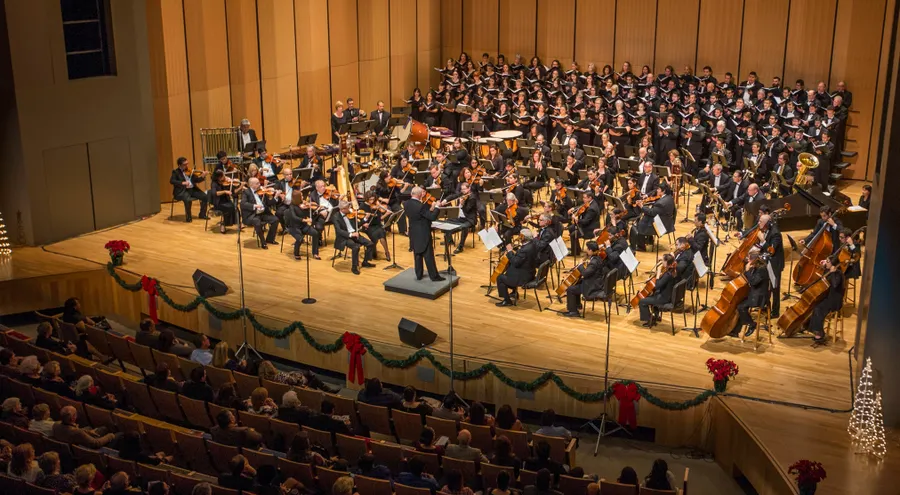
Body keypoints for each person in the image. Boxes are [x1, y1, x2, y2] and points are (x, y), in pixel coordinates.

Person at [404, 187, 446, 281]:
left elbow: (420, 215)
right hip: (423, 232)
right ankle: (434, 276)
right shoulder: (421, 206)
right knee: (428, 256)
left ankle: (419, 274)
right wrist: (437, 207)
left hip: (413, 232)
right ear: (419, 195)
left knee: (417, 254)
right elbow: (432, 217)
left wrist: (430, 209)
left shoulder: (406, 204)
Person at [728, 253, 770, 338]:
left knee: (741, 307)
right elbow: (747, 278)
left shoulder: (762, 269)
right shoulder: (755, 267)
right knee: (740, 305)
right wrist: (746, 270)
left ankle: (752, 324)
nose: (747, 260)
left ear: (753, 260)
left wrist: (747, 271)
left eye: (749, 259)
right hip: (753, 293)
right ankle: (735, 331)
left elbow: (753, 282)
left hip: (759, 297)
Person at [559, 241, 606, 318]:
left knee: (570, 289)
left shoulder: (594, 262)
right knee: (577, 283)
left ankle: (573, 311)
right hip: (596, 282)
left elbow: (584, 273)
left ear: (591, 250)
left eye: (587, 249)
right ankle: (577, 305)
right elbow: (590, 271)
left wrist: (580, 265)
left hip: (591, 287)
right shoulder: (598, 258)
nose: (586, 250)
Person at [496, 228, 539, 307]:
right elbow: (522, 258)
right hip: (530, 273)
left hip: (523, 277)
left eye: (520, 236)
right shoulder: (532, 244)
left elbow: (515, 262)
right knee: (509, 269)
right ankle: (514, 292)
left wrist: (510, 251)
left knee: (500, 278)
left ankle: (507, 300)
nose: (519, 237)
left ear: (523, 237)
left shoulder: (525, 250)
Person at [810, 255, 845, 348]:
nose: (826, 262)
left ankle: (819, 333)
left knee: (818, 309)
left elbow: (835, 285)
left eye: (828, 261)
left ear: (833, 264)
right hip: (828, 297)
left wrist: (833, 273)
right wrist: (823, 266)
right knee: (815, 306)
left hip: (834, 300)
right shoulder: (828, 270)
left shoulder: (838, 273)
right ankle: (815, 329)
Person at [333, 200, 375, 275]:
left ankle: (365, 262)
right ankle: (354, 267)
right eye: (347, 208)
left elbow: (357, 225)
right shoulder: (336, 217)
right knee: (356, 247)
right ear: (342, 209)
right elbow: (339, 231)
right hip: (344, 237)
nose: (349, 209)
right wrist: (351, 234)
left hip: (355, 234)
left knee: (370, 244)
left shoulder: (350, 214)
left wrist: (365, 219)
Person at [638, 254, 677, 328]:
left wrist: (658, 273)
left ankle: (649, 320)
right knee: (652, 294)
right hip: (667, 294)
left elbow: (657, 285)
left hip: (663, 298)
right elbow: (662, 282)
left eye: (663, 260)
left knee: (642, 301)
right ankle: (656, 316)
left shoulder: (668, 274)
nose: (661, 261)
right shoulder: (672, 270)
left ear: (666, 262)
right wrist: (651, 279)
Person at [241, 177, 280, 249]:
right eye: (257, 183)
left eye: (259, 183)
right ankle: (263, 242)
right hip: (252, 215)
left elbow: (269, 203)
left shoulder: (262, 191)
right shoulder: (246, 192)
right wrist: (254, 206)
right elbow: (243, 204)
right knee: (257, 222)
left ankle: (270, 239)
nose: (259, 184)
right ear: (251, 185)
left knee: (275, 220)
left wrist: (276, 196)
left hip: (263, 213)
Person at [53, 406, 117, 448]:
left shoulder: (55, 425)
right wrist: (110, 436)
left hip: (73, 440)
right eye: (76, 413)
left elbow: (73, 429)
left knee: (103, 428)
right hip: (86, 447)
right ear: (73, 418)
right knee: (118, 435)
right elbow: (96, 444)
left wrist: (88, 432)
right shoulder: (77, 432)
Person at [258, 360, 339, 393]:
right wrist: (298, 376)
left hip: (292, 385)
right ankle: (327, 391)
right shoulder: (278, 376)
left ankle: (325, 390)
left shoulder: (266, 380)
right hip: (298, 386)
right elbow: (293, 381)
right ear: (270, 368)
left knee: (308, 373)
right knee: (312, 377)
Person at [170, 156, 209, 222]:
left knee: (205, 197)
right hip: (182, 191)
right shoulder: (175, 172)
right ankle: (188, 217)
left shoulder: (190, 171)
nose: (187, 166)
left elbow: (197, 180)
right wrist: (182, 183)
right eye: (184, 164)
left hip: (192, 190)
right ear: (179, 165)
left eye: (187, 164)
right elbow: (172, 181)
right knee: (188, 200)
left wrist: (202, 176)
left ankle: (202, 214)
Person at [567, 191, 601, 257]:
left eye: (585, 198)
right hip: (587, 225)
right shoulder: (590, 202)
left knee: (573, 234)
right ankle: (577, 249)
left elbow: (585, 221)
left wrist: (577, 219)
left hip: (590, 229)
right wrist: (574, 208)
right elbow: (582, 206)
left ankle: (574, 252)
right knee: (571, 228)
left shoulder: (592, 208)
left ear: (590, 198)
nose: (583, 199)